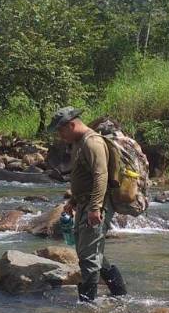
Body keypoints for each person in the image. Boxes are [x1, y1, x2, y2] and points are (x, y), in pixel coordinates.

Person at [48, 106, 127, 302]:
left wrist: (95, 208)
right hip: (85, 203)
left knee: (88, 258)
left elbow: (101, 176)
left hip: (97, 205)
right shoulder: (79, 143)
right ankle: (120, 294)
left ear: (71, 125)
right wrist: (74, 201)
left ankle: (87, 306)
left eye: (60, 130)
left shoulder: (92, 143)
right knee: (90, 252)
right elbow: (84, 177)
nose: (60, 135)